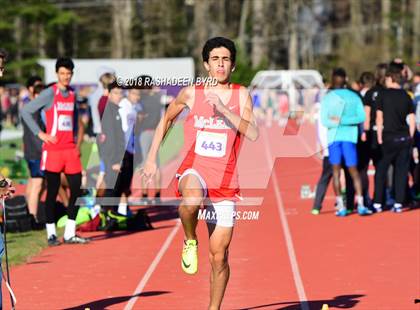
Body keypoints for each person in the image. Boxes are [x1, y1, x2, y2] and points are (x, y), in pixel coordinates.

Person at [142, 37, 258, 309]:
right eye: (215, 59)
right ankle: (190, 239)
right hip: (196, 169)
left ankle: (213, 308)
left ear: (233, 64)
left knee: (220, 257)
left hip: (226, 180)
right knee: (191, 201)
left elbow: (252, 132)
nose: (220, 64)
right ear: (206, 64)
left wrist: (224, 110)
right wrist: (151, 159)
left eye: (226, 59)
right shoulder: (191, 92)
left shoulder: (242, 95)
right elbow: (167, 119)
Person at [21, 57, 90, 245]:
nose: (65, 77)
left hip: (69, 150)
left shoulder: (73, 95)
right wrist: (40, 134)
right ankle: (51, 233)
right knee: (52, 191)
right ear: (57, 74)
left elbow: (74, 118)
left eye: (68, 73)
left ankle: (69, 232)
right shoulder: (50, 93)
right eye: (62, 73)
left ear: (72, 74)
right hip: (53, 151)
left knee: (76, 189)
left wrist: (75, 139)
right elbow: (26, 111)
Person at [320, 68, 371, 217]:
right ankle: (360, 203)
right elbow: (361, 117)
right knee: (353, 171)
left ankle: (342, 205)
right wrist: (347, 121)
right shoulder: (353, 96)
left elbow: (324, 120)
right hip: (348, 137)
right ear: (345, 80)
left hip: (336, 138)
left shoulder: (328, 98)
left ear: (333, 79)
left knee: (337, 171)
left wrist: (339, 121)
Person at [373, 68, 416, 213]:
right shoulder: (406, 95)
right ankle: (399, 202)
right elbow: (411, 119)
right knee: (401, 171)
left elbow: (380, 118)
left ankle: (378, 202)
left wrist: (379, 136)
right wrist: (411, 136)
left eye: (386, 79)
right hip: (403, 137)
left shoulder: (383, 95)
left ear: (391, 79)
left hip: (388, 137)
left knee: (381, 170)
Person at [137, 77, 165, 204]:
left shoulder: (141, 98)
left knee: (145, 163)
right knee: (157, 164)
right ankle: (158, 194)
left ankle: (144, 194)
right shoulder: (157, 97)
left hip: (145, 132)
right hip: (156, 132)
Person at [21, 76, 44, 218]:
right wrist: (43, 152)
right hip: (36, 153)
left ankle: (27, 213)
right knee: (37, 184)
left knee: (34, 182)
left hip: (32, 152)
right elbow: (35, 135)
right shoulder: (33, 110)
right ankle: (32, 217)